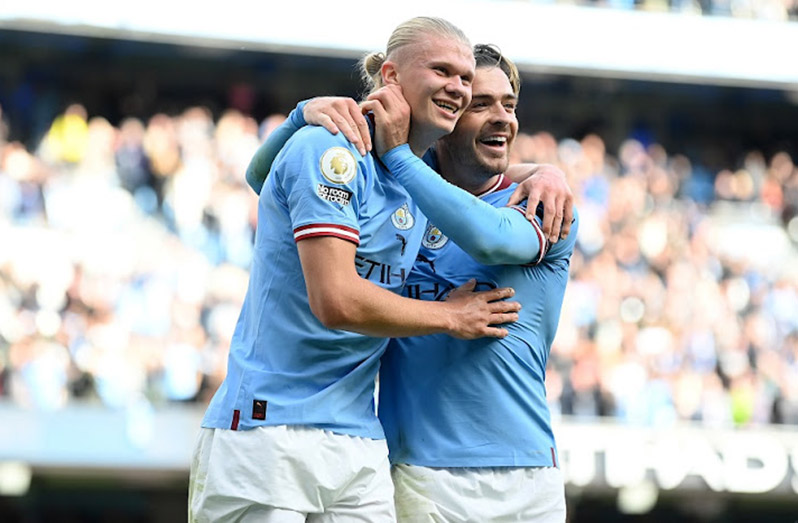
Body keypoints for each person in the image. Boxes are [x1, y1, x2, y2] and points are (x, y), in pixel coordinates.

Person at [189, 17, 524, 523]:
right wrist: (450, 317)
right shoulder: (329, 147)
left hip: (358, 439)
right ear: (391, 76)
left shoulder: (419, 172)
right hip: (269, 429)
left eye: (464, 78)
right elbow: (337, 301)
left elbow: (481, 170)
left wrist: (549, 172)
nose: (458, 87)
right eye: (442, 71)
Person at [247, 45, 578, 522]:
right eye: (480, 105)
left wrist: (543, 168)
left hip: (529, 476)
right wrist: (301, 118)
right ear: (446, 119)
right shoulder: (396, 204)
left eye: (509, 105)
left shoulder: (542, 202)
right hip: (422, 475)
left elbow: (490, 239)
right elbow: (267, 183)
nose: (502, 118)